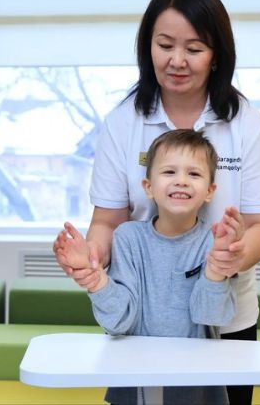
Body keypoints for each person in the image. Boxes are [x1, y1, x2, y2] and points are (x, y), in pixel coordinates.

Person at [54, 0, 260, 404]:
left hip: (225, 321)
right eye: (164, 45)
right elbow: (108, 220)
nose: (177, 61)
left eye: (194, 49)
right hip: (144, 322)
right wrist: (91, 261)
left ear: (216, 55)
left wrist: (231, 257)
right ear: (148, 47)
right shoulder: (124, 122)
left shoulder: (246, 124)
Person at [56, 129, 239, 404]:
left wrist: (216, 268)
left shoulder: (215, 241)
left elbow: (211, 316)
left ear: (210, 191)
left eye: (194, 174)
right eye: (169, 172)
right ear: (148, 187)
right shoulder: (128, 238)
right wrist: (95, 279)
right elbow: (119, 321)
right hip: (133, 382)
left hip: (197, 387)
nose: (181, 181)